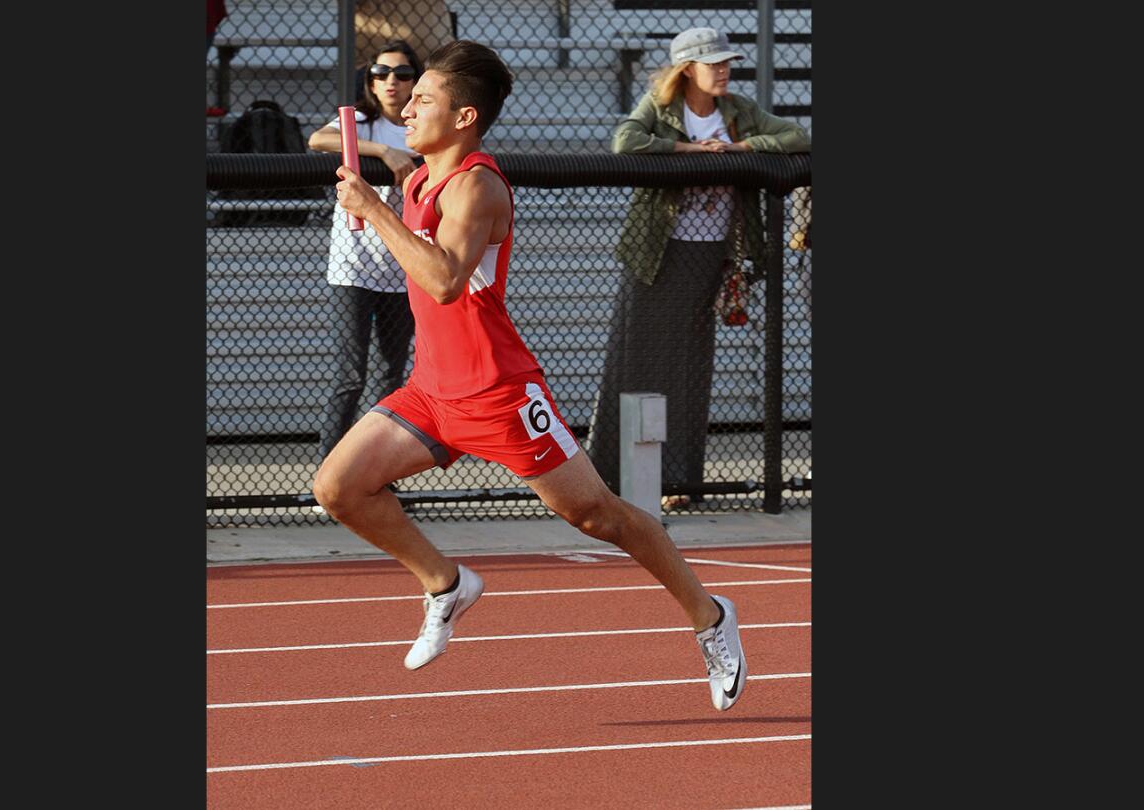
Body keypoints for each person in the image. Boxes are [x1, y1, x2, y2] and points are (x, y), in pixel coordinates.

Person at [322, 39, 748, 711]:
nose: (406, 104)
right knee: (338, 487)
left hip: (498, 391)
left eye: (424, 98)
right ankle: (445, 583)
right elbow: (398, 160)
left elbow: (442, 281)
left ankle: (710, 616)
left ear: (465, 117)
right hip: (433, 388)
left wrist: (371, 211)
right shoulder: (419, 173)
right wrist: (379, 162)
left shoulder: (478, 186)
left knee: (597, 515)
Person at [586, 27, 811, 510]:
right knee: (639, 362)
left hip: (715, 255)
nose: (725, 70)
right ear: (688, 69)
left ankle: (680, 482)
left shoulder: (738, 112)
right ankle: (614, 478)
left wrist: (740, 149)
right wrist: (687, 150)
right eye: (714, 64)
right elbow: (625, 141)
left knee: (692, 368)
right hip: (658, 255)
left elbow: (796, 136)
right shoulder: (661, 107)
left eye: (727, 62)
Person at [307, 41, 424, 467]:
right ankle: (329, 468)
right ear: (370, 81)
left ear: (417, 81)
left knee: (391, 375)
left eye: (403, 74)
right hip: (353, 267)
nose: (391, 81)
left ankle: (375, 468)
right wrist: (381, 152)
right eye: (381, 73)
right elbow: (318, 139)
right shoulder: (361, 122)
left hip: (403, 266)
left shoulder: (420, 125)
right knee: (350, 374)